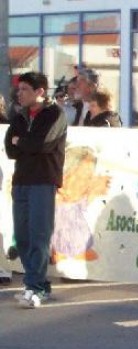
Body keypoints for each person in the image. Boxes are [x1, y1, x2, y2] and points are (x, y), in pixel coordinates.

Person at [3, 71, 67, 308]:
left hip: (43, 180)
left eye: (25, 90)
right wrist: (23, 143)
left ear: (40, 92)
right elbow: (11, 148)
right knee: (22, 236)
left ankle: (36, 286)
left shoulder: (54, 114)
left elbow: (42, 144)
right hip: (21, 180)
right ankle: (34, 284)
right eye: (18, 90)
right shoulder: (19, 116)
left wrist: (24, 142)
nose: (19, 94)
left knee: (39, 234)